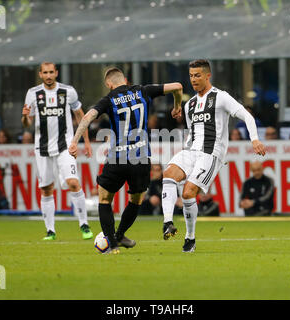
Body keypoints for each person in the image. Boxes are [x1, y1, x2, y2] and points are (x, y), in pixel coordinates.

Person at [69, 67, 183, 254]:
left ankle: (113, 245)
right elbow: (178, 86)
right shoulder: (142, 91)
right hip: (141, 159)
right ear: (126, 80)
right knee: (136, 200)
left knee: (104, 198)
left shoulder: (109, 99)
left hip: (118, 157)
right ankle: (120, 234)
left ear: (109, 84)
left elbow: (88, 116)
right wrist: (177, 106)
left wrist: (74, 141)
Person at [161, 59, 266, 252]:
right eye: (191, 76)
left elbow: (246, 116)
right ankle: (167, 222)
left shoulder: (221, 97)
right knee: (168, 174)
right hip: (190, 151)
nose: (194, 79)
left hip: (211, 154)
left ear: (208, 75)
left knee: (188, 193)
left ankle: (190, 238)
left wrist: (255, 140)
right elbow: (192, 132)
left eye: (198, 75)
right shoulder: (190, 104)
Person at [22, 61, 94, 241]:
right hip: (42, 147)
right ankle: (50, 231)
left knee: (73, 183)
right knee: (46, 188)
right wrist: (24, 116)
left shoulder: (68, 91)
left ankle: (84, 225)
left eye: (51, 72)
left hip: (65, 145)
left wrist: (85, 141)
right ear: (40, 74)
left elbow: (80, 116)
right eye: (45, 73)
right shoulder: (32, 94)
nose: (48, 76)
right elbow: (27, 124)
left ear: (56, 73)